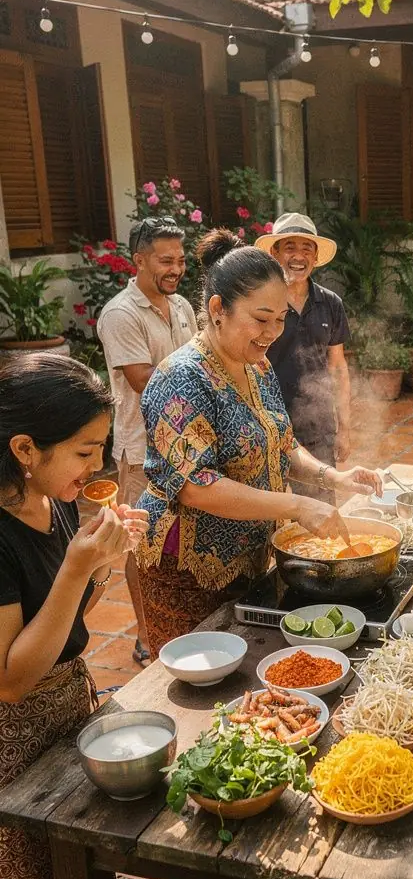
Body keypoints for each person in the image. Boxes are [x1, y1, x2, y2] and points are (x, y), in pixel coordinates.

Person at [136, 230, 381, 657]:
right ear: (218, 310)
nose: (272, 332)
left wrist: (332, 476)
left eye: (281, 318)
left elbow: (283, 444)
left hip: (248, 556)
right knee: (199, 683)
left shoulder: (257, 367)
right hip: (188, 568)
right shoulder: (181, 379)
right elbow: (196, 485)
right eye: (261, 318)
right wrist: (296, 506)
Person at [0, 353, 145, 879]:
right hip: (14, 747)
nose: (97, 466)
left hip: (68, 714)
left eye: (101, 449)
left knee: (83, 878)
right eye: (85, 451)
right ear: (24, 449)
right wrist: (79, 565)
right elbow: (11, 680)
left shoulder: (48, 497)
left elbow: (62, 622)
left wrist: (101, 564)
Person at [97, 216, 195, 664]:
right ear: (137, 260)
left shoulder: (182, 308)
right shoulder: (120, 314)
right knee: (141, 541)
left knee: (182, 535)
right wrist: (204, 380)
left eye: (179, 259)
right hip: (142, 450)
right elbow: (142, 380)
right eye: (164, 260)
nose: (175, 269)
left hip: (188, 443)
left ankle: (182, 619)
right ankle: (145, 632)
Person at [258, 214, 351, 497]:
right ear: (275, 252)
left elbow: (338, 367)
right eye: (290, 247)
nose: (298, 256)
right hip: (267, 424)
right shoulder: (259, 300)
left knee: (320, 515)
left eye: (306, 248)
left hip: (317, 426)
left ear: (315, 256)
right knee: (268, 515)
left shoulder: (331, 303)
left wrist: (345, 428)